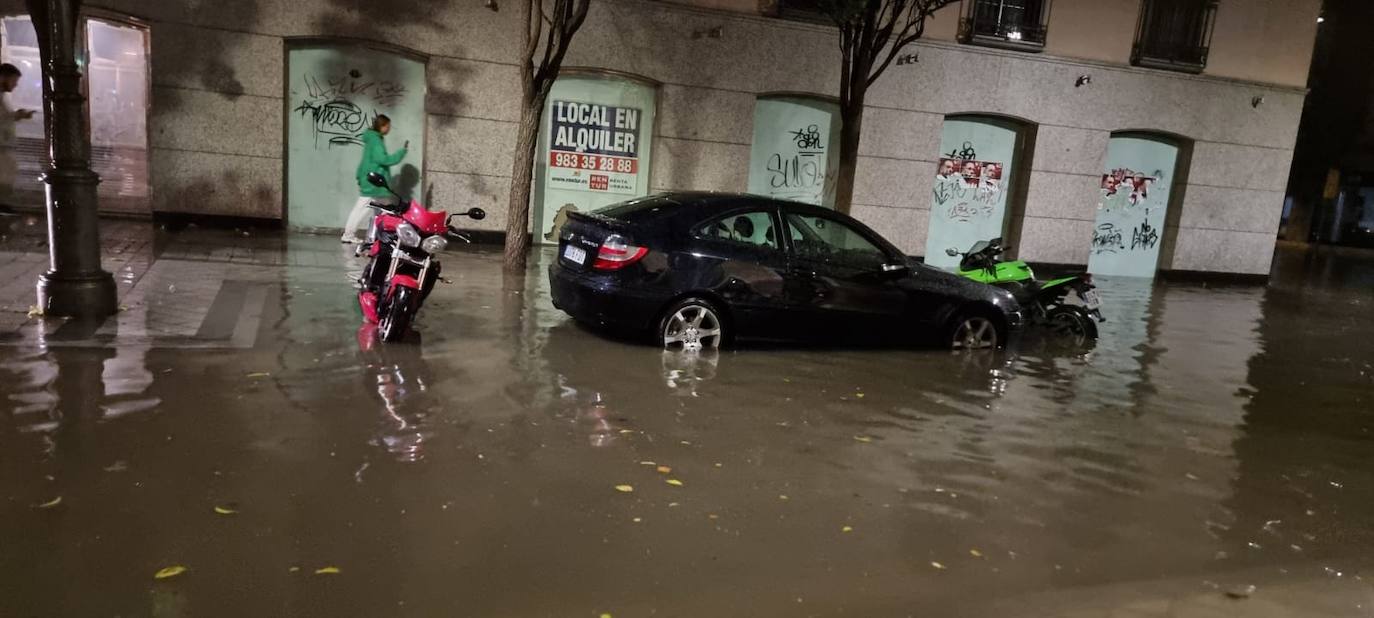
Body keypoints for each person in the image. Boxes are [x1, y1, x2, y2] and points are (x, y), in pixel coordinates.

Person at [343, 114, 408, 243]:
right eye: (388, 126)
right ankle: (349, 234)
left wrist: (359, 175)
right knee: (364, 208)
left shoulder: (372, 139)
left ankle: (380, 235)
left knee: (385, 208)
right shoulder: (376, 141)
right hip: (374, 182)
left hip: (372, 180)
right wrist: (401, 152)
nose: (389, 129)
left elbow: (366, 160)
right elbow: (382, 159)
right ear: (382, 126)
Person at [0, 63, 35, 213]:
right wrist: (16, 115)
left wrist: (16, 115)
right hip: (1, 145)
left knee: (7, 172)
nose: (15, 85)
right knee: (5, 173)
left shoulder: (2, 96)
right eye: (14, 81)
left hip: (4, 143)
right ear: (3, 77)